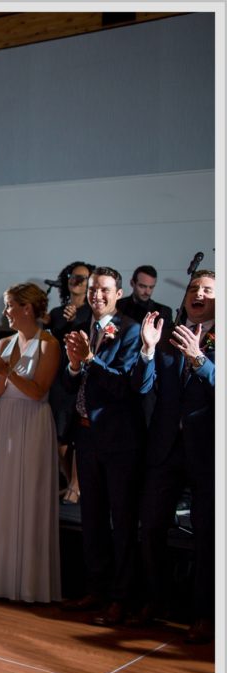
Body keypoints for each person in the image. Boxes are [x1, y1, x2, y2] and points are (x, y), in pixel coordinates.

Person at [130, 270, 214, 644]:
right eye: (194, 288)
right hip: (165, 447)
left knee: (209, 537)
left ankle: (204, 615)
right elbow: (142, 386)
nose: (198, 293)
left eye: (208, 290)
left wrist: (199, 359)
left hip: (208, 450)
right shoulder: (164, 338)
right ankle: (157, 601)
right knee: (149, 528)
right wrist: (147, 349)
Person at [58, 267, 142, 626]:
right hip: (86, 435)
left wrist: (90, 360)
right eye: (93, 290)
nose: (97, 296)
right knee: (91, 518)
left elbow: (124, 386)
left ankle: (120, 599)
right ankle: (95, 589)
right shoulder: (81, 325)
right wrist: (75, 366)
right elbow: (68, 383)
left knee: (121, 521)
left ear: (119, 293)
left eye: (104, 290)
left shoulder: (131, 330)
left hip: (119, 440)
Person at [0, 284, 61, 603]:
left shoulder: (49, 344)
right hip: (7, 420)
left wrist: (6, 371)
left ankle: (29, 583)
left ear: (26, 308)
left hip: (34, 422)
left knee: (30, 495)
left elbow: (38, 391)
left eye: (10, 306)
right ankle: (0, 577)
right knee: (5, 493)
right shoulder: (4, 342)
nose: (5, 312)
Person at [45, 261, 94, 505]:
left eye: (82, 278)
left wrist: (76, 321)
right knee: (59, 435)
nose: (76, 280)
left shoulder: (91, 312)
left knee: (79, 434)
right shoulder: (56, 313)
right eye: (73, 276)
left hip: (82, 378)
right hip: (60, 378)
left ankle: (77, 486)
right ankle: (68, 482)